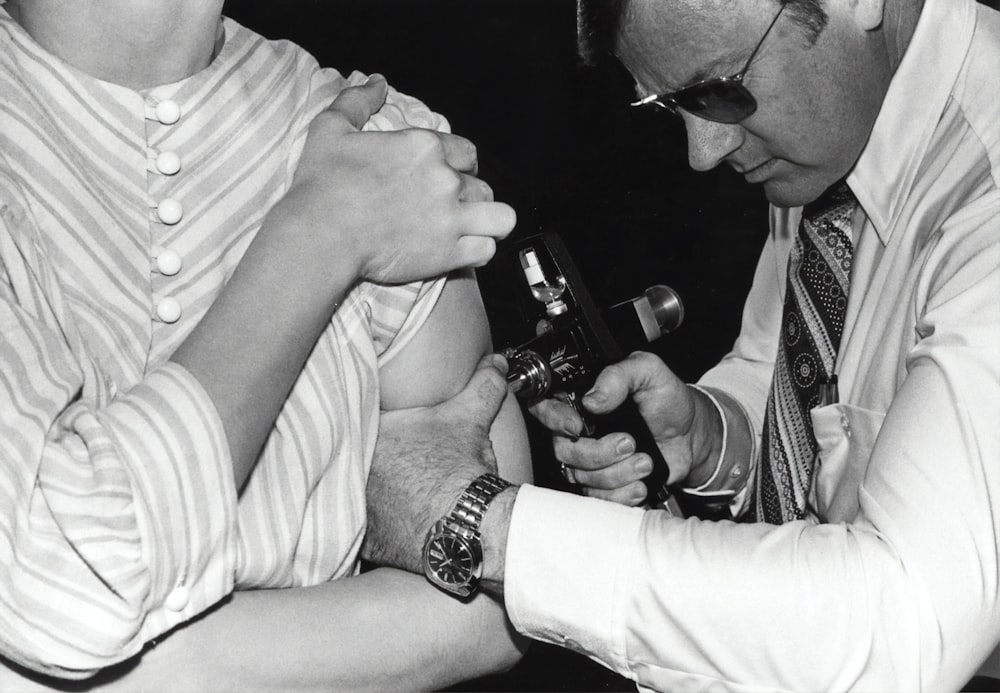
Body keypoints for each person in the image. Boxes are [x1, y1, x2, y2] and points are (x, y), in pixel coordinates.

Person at [361, 0, 1000, 690]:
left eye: (719, 91)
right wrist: (706, 434)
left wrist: (488, 524)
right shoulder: (834, 133)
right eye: (672, 107)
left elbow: (901, 628)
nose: (704, 151)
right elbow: (803, 377)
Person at [0, 0, 533, 690]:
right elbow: (63, 579)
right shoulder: (371, 176)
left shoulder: (379, 142)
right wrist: (322, 233)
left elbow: (497, 596)